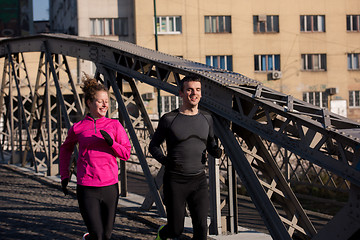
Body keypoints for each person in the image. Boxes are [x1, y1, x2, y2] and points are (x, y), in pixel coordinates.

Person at [149, 75, 222, 240]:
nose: (194, 93)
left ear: (201, 94)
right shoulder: (169, 119)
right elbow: (153, 146)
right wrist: (165, 161)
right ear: (181, 93)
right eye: (189, 89)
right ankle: (162, 233)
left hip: (199, 181)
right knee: (175, 230)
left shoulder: (207, 118)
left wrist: (216, 151)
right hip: (175, 181)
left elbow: (211, 144)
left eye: (197, 90)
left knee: (202, 229)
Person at [59, 75, 131, 240]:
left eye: (107, 101)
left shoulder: (115, 125)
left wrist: (112, 143)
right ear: (89, 103)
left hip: (110, 187)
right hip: (87, 187)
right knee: (98, 236)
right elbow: (65, 149)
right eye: (100, 101)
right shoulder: (78, 128)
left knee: (106, 235)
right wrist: (64, 175)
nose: (105, 105)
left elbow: (126, 154)